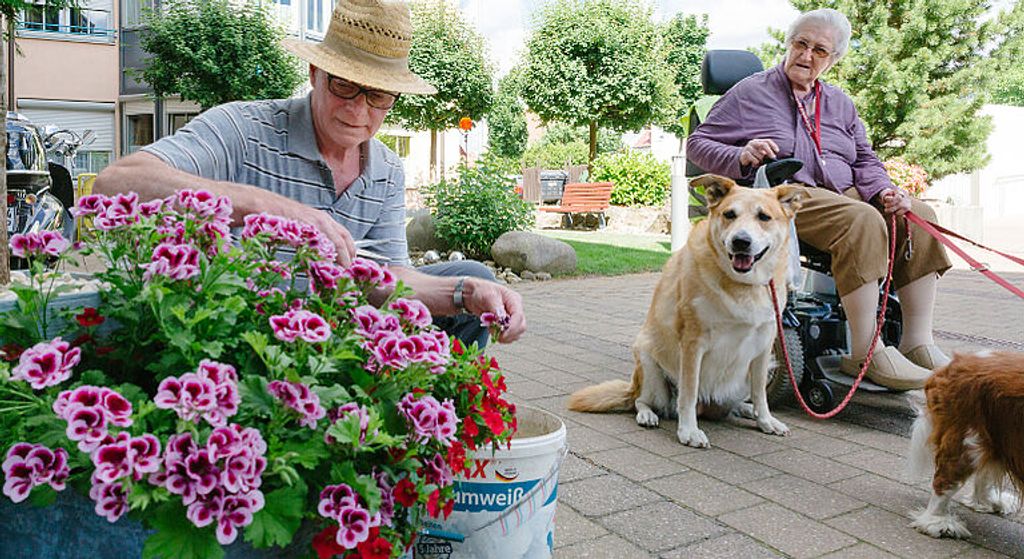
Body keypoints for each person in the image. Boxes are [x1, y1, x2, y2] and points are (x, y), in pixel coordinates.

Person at [94, 0, 524, 349]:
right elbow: (115, 182)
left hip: (336, 338)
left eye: (377, 96)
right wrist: (266, 205)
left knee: (474, 282)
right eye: (344, 87)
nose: (358, 111)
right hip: (238, 336)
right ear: (315, 73)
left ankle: (421, 438)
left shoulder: (386, 170)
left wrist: (464, 294)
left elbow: (387, 279)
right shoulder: (244, 129)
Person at [687, 8, 951, 390]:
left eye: (820, 51)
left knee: (918, 215)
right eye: (801, 44)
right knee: (861, 219)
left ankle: (917, 343)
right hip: (789, 197)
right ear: (789, 44)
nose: (807, 56)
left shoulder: (840, 104)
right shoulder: (751, 92)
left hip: (843, 193)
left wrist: (886, 191)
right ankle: (865, 352)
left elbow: (864, 159)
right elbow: (699, 143)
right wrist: (741, 154)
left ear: (834, 58)